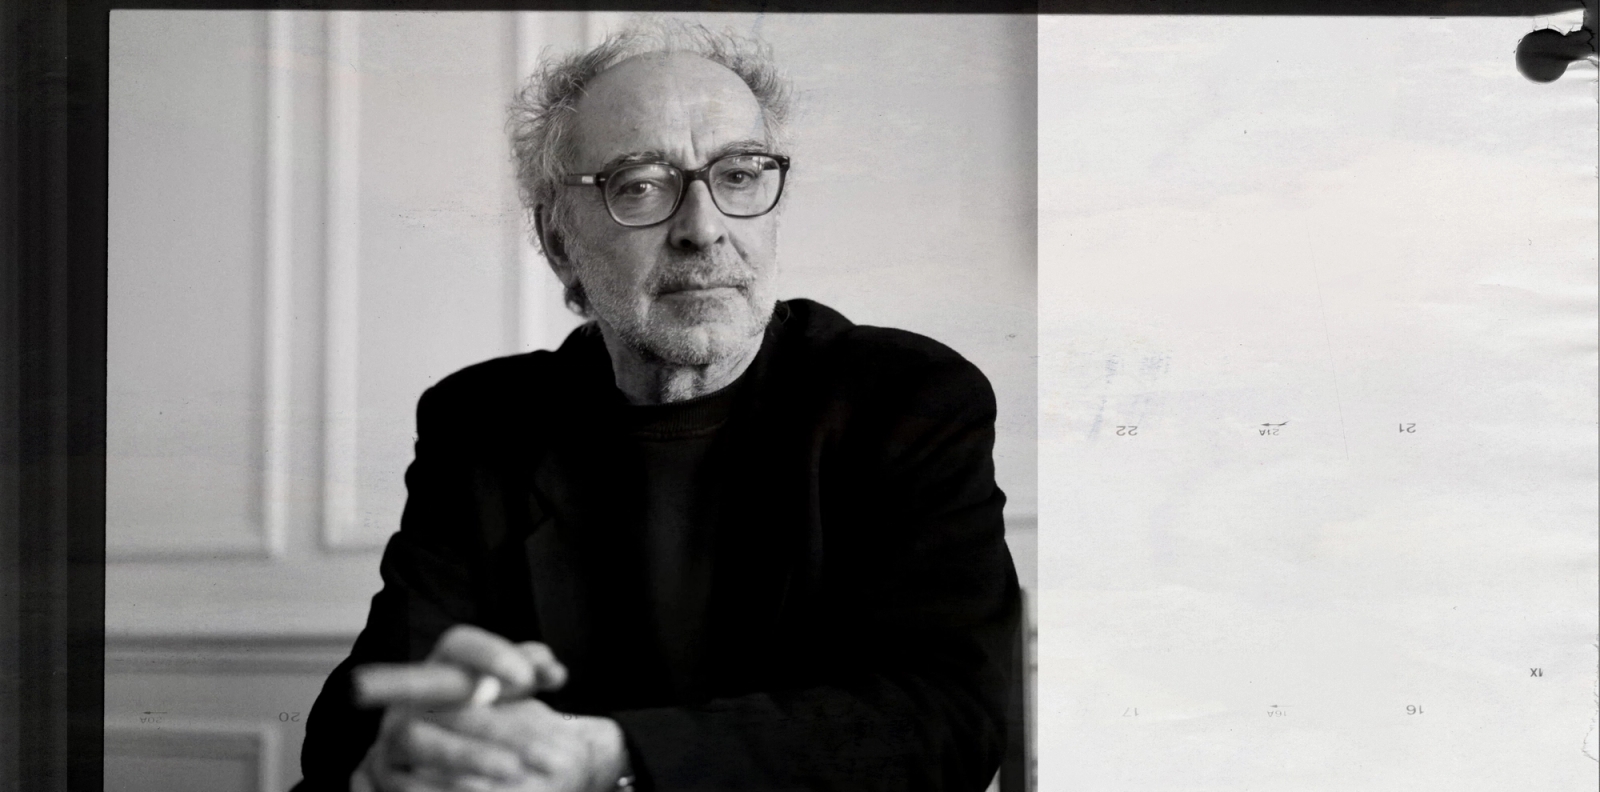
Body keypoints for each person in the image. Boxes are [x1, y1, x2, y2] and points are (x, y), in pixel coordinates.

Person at [294, 19, 1021, 792]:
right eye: (639, 185)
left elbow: (945, 718)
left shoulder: (907, 397)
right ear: (561, 241)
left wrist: (614, 757)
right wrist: (403, 751)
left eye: (739, 175)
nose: (703, 230)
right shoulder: (483, 422)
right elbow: (357, 727)